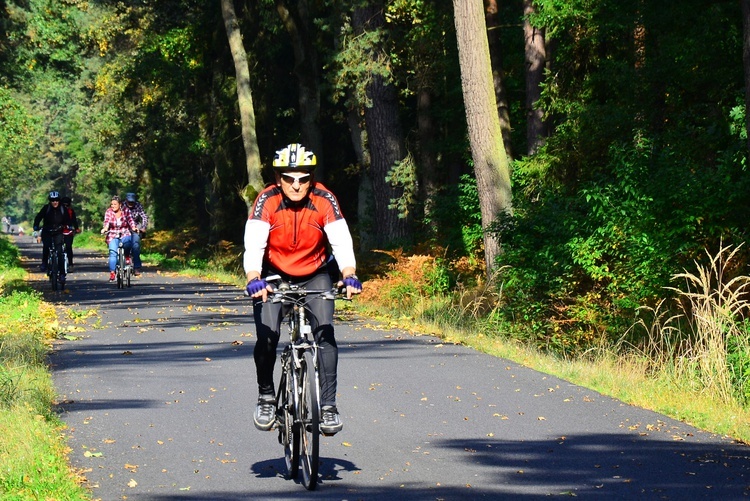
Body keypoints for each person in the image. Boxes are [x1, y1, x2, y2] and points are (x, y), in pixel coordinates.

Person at [244, 143, 362, 435]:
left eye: (303, 178)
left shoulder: (324, 199)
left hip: (316, 273)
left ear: (311, 179)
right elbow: (254, 244)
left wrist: (349, 274)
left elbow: (341, 241)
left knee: (325, 332)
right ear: (278, 178)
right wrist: (253, 276)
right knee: (267, 336)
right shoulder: (266, 201)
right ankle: (266, 397)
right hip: (273, 274)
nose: (296, 185)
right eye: (289, 178)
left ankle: (329, 406)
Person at [32, 191, 71, 283]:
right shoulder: (46, 208)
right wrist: (36, 226)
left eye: (57, 200)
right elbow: (38, 217)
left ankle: (62, 274)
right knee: (46, 246)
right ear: (50, 201)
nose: (55, 202)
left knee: (60, 252)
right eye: (53, 200)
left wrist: (69, 225)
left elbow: (68, 219)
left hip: (58, 232)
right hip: (47, 231)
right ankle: (44, 263)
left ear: (59, 200)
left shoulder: (62, 209)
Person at [101, 195, 138, 282]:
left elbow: (131, 221)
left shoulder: (126, 211)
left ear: (120, 204)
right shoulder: (109, 212)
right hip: (113, 235)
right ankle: (112, 272)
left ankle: (127, 256)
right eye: (112, 204)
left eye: (115, 204)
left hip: (124, 233)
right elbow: (106, 222)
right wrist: (105, 229)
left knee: (128, 243)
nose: (113, 206)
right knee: (113, 253)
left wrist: (134, 228)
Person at [124, 192, 148, 276]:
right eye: (129, 202)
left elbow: (144, 216)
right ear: (126, 200)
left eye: (132, 202)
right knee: (124, 244)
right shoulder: (122, 206)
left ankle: (136, 267)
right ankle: (123, 260)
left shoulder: (138, 205)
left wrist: (143, 227)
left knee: (136, 245)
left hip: (136, 226)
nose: (131, 204)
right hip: (125, 226)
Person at [61, 196, 81, 272]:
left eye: (67, 205)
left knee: (69, 247)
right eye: (64, 205)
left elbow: (74, 221)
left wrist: (76, 228)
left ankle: (70, 264)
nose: (66, 207)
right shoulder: (58, 211)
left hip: (68, 231)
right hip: (59, 231)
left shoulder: (71, 211)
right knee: (58, 247)